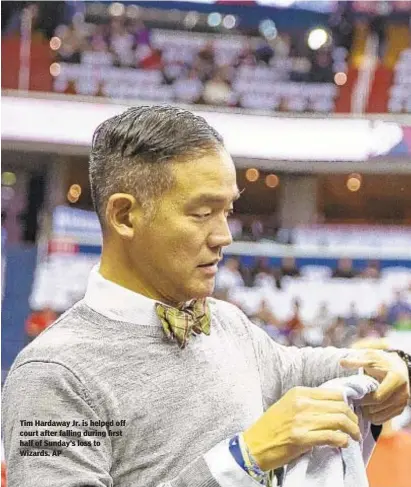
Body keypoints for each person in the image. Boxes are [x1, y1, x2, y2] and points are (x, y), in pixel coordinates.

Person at [2, 106, 410, 487]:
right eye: (201, 213)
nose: (224, 236)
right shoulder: (53, 375)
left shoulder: (227, 324)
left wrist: (385, 366)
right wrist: (244, 458)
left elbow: (295, 369)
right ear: (125, 215)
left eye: (227, 211)